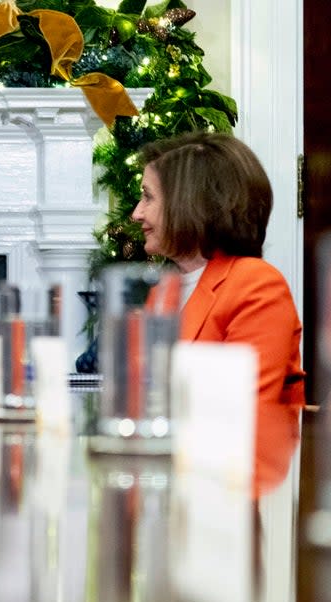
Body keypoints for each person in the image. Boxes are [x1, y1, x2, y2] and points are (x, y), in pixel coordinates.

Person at [130, 131, 304, 404]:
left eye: (148, 197)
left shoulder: (256, 285)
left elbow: (238, 410)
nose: (137, 213)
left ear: (189, 204)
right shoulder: (165, 290)